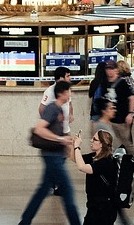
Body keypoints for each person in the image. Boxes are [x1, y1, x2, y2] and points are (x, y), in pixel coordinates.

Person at [19, 79, 81, 225]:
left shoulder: (59, 109)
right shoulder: (52, 108)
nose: (70, 95)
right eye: (69, 92)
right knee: (67, 191)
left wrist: (66, 141)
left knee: (42, 190)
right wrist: (60, 139)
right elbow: (39, 129)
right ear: (62, 93)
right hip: (52, 156)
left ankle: (25, 221)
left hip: (56, 155)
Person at [70, 128, 121, 225]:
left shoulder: (106, 162)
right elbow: (74, 158)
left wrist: (77, 147)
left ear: (102, 144)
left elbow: (82, 167)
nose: (91, 141)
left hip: (104, 209)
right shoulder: (94, 156)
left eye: (94, 139)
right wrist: (73, 145)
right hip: (94, 206)